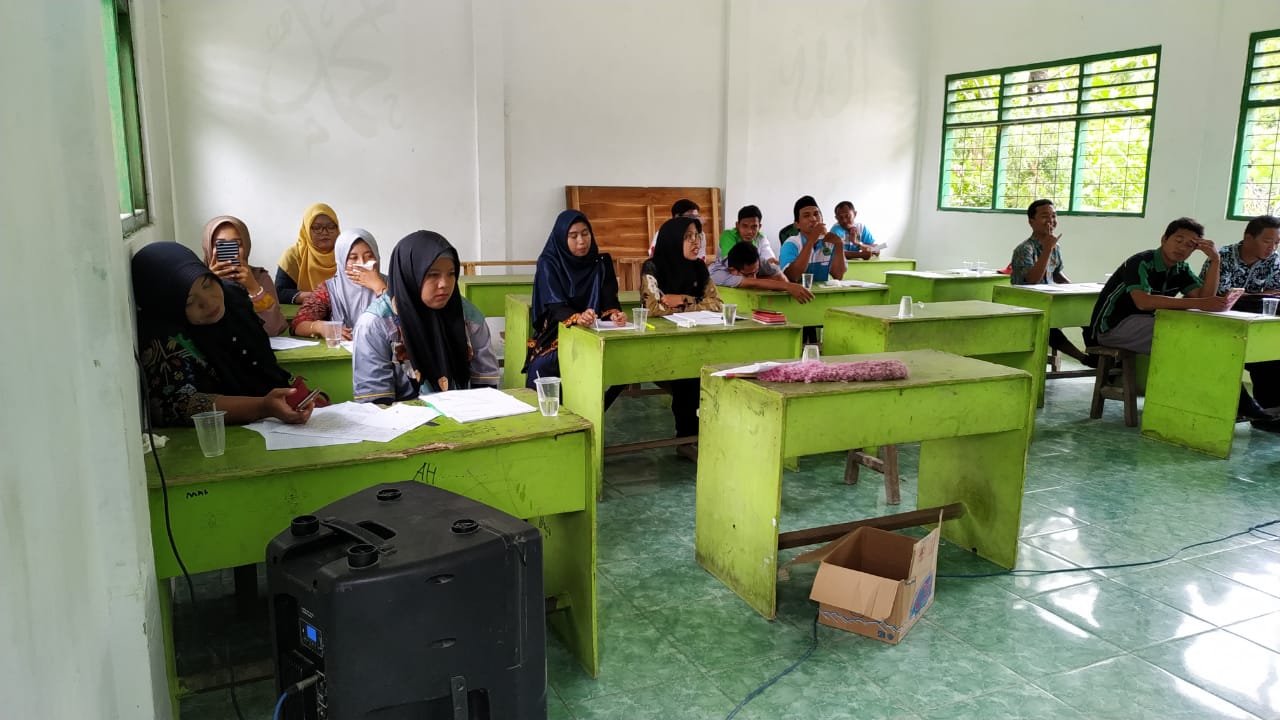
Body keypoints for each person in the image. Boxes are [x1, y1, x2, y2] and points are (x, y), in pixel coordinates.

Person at [132, 242, 314, 427]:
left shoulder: (233, 297)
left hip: (276, 414)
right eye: (189, 302)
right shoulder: (164, 336)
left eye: (207, 284)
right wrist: (262, 407)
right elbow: (177, 405)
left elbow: (264, 361)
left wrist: (292, 396)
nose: (209, 302)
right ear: (169, 306)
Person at [352, 231, 499, 403]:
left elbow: (486, 382)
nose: (444, 284)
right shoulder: (375, 324)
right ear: (409, 273)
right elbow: (375, 402)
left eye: (451, 273)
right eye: (432, 274)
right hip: (401, 423)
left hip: (464, 417)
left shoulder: (467, 315)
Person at [640, 217, 724, 459]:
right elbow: (654, 308)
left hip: (696, 339)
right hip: (660, 343)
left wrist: (683, 299)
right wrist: (697, 304)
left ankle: (703, 436)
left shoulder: (699, 267)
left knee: (710, 370)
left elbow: (717, 304)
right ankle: (686, 439)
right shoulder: (653, 267)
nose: (695, 242)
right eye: (688, 237)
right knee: (689, 374)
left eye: (697, 235)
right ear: (673, 240)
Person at [1089, 217, 1227, 355]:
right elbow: (1143, 302)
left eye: (1189, 246)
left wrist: (1215, 260)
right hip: (1113, 328)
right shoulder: (1140, 262)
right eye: (1178, 241)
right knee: (1179, 335)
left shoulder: (1181, 269)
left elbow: (1206, 299)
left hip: (1145, 323)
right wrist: (1199, 303)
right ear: (1164, 239)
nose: (1182, 248)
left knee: (1192, 332)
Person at [524, 210, 627, 385]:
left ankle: (594, 408)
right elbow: (555, 305)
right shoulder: (549, 262)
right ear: (562, 238)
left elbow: (609, 300)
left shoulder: (600, 262)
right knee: (543, 367)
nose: (581, 241)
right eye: (573, 236)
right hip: (559, 331)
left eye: (585, 234)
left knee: (624, 364)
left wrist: (615, 315)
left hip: (596, 330)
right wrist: (578, 318)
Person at [1203, 214, 1280, 423]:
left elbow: (1276, 293)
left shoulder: (1273, 260)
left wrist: (1243, 297)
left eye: (1276, 243)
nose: (1272, 248)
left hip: (1253, 326)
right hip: (1218, 326)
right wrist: (1257, 296)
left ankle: (1268, 412)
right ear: (1247, 238)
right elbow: (1217, 297)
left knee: (1271, 358)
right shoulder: (1223, 257)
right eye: (1267, 241)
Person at [1010, 199, 1094, 366]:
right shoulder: (1024, 249)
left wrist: (1076, 289)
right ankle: (1083, 358)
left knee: (1090, 317)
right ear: (1031, 221)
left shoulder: (1055, 246)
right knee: (1048, 327)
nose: (1051, 221)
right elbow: (1033, 280)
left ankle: (1097, 355)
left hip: (1049, 300)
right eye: (1044, 216)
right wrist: (1047, 248)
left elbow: (1057, 274)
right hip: (1026, 303)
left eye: (1054, 216)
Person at [292, 228, 388, 341]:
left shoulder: (392, 283)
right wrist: (321, 327)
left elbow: (407, 318)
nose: (361, 263)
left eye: (369, 256)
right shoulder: (329, 289)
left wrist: (379, 287)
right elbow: (298, 325)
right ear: (341, 261)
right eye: (353, 258)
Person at [201, 215, 286, 336]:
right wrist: (209, 284)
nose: (231, 250)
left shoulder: (260, 277)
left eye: (237, 244)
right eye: (221, 245)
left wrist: (253, 288)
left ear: (246, 246)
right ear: (208, 247)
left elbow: (274, 329)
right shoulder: (197, 280)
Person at [276, 202, 340, 304]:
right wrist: (311, 297)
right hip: (304, 314)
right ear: (306, 229)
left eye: (331, 226)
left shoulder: (346, 254)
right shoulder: (293, 255)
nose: (324, 232)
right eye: (317, 227)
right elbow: (279, 292)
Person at [709, 241, 814, 303]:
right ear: (732, 270)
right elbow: (755, 283)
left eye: (756, 272)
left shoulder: (758, 261)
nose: (754, 277)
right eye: (748, 274)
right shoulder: (717, 273)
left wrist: (786, 284)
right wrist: (789, 286)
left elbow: (781, 279)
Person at [779, 195, 847, 283]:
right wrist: (811, 241)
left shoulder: (830, 242)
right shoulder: (791, 244)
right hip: (798, 295)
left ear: (822, 219)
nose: (813, 219)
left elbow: (838, 276)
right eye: (806, 216)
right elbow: (792, 276)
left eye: (816, 214)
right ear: (797, 224)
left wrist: (839, 244)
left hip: (823, 294)